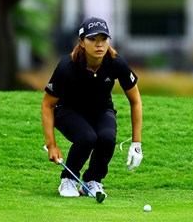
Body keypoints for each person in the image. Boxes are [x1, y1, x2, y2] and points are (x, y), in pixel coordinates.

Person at [41, 16, 143, 198]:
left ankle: (92, 181)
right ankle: (68, 180)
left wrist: (136, 143)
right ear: (81, 42)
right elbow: (47, 105)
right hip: (67, 110)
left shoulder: (116, 62)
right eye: (92, 39)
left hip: (101, 110)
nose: (99, 45)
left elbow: (135, 100)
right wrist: (51, 144)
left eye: (103, 39)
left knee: (107, 138)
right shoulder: (67, 66)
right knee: (87, 138)